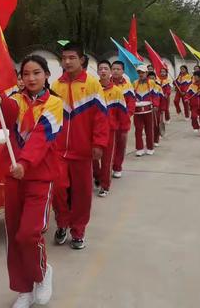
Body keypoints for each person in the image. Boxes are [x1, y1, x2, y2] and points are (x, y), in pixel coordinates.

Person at [0, 55, 63, 308]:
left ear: (46, 76)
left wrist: (25, 163)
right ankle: (23, 289)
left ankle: (42, 274)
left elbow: (42, 137)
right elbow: (4, 116)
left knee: (29, 234)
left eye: (36, 73)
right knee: (13, 235)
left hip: (39, 178)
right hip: (13, 178)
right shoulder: (15, 101)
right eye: (26, 74)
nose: (31, 78)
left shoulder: (54, 104)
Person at [51, 43, 109, 250]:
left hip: (83, 151)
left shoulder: (93, 84)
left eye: (72, 58)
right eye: (64, 58)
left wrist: (99, 143)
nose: (67, 62)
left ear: (82, 60)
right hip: (58, 151)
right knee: (57, 189)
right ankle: (62, 224)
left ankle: (78, 231)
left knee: (82, 194)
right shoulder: (55, 86)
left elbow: (102, 117)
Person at [93, 61, 130, 197]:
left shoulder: (117, 92)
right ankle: (97, 175)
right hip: (93, 131)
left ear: (110, 72)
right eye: (100, 68)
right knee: (93, 159)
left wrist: (124, 129)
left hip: (110, 131)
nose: (103, 71)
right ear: (97, 71)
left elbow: (123, 114)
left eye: (106, 69)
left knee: (107, 159)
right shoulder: (92, 89)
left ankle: (105, 185)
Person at [111, 60, 136, 178]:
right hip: (109, 121)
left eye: (118, 69)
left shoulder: (127, 85)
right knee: (109, 145)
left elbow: (131, 103)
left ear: (123, 71)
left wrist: (127, 115)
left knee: (120, 145)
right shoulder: (105, 83)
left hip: (123, 122)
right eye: (114, 69)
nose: (115, 71)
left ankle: (117, 167)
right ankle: (108, 166)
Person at [133, 65, 160, 156]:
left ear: (146, 73)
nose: (141, 74)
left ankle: (150, 147)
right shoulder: (134, 83)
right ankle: (139, 148)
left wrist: (156, 105)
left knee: (149, 129)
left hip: (149, 110)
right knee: (138, 130)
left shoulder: (152, 83)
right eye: (139, 72)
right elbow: (132, 96)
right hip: (137, 110)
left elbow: (156, 95)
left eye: (142, 72)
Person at [147, 71, 164, 146]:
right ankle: (150, 140)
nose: (151, 80)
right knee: (149, 126)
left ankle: (156, 140)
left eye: (153, 78)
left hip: (157, 110)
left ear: (155, 79)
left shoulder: (158, 87)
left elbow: (162, 99)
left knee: (156, 125)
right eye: (149, 78)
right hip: (147, 110)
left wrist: (162, 109)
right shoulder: (145, 87)